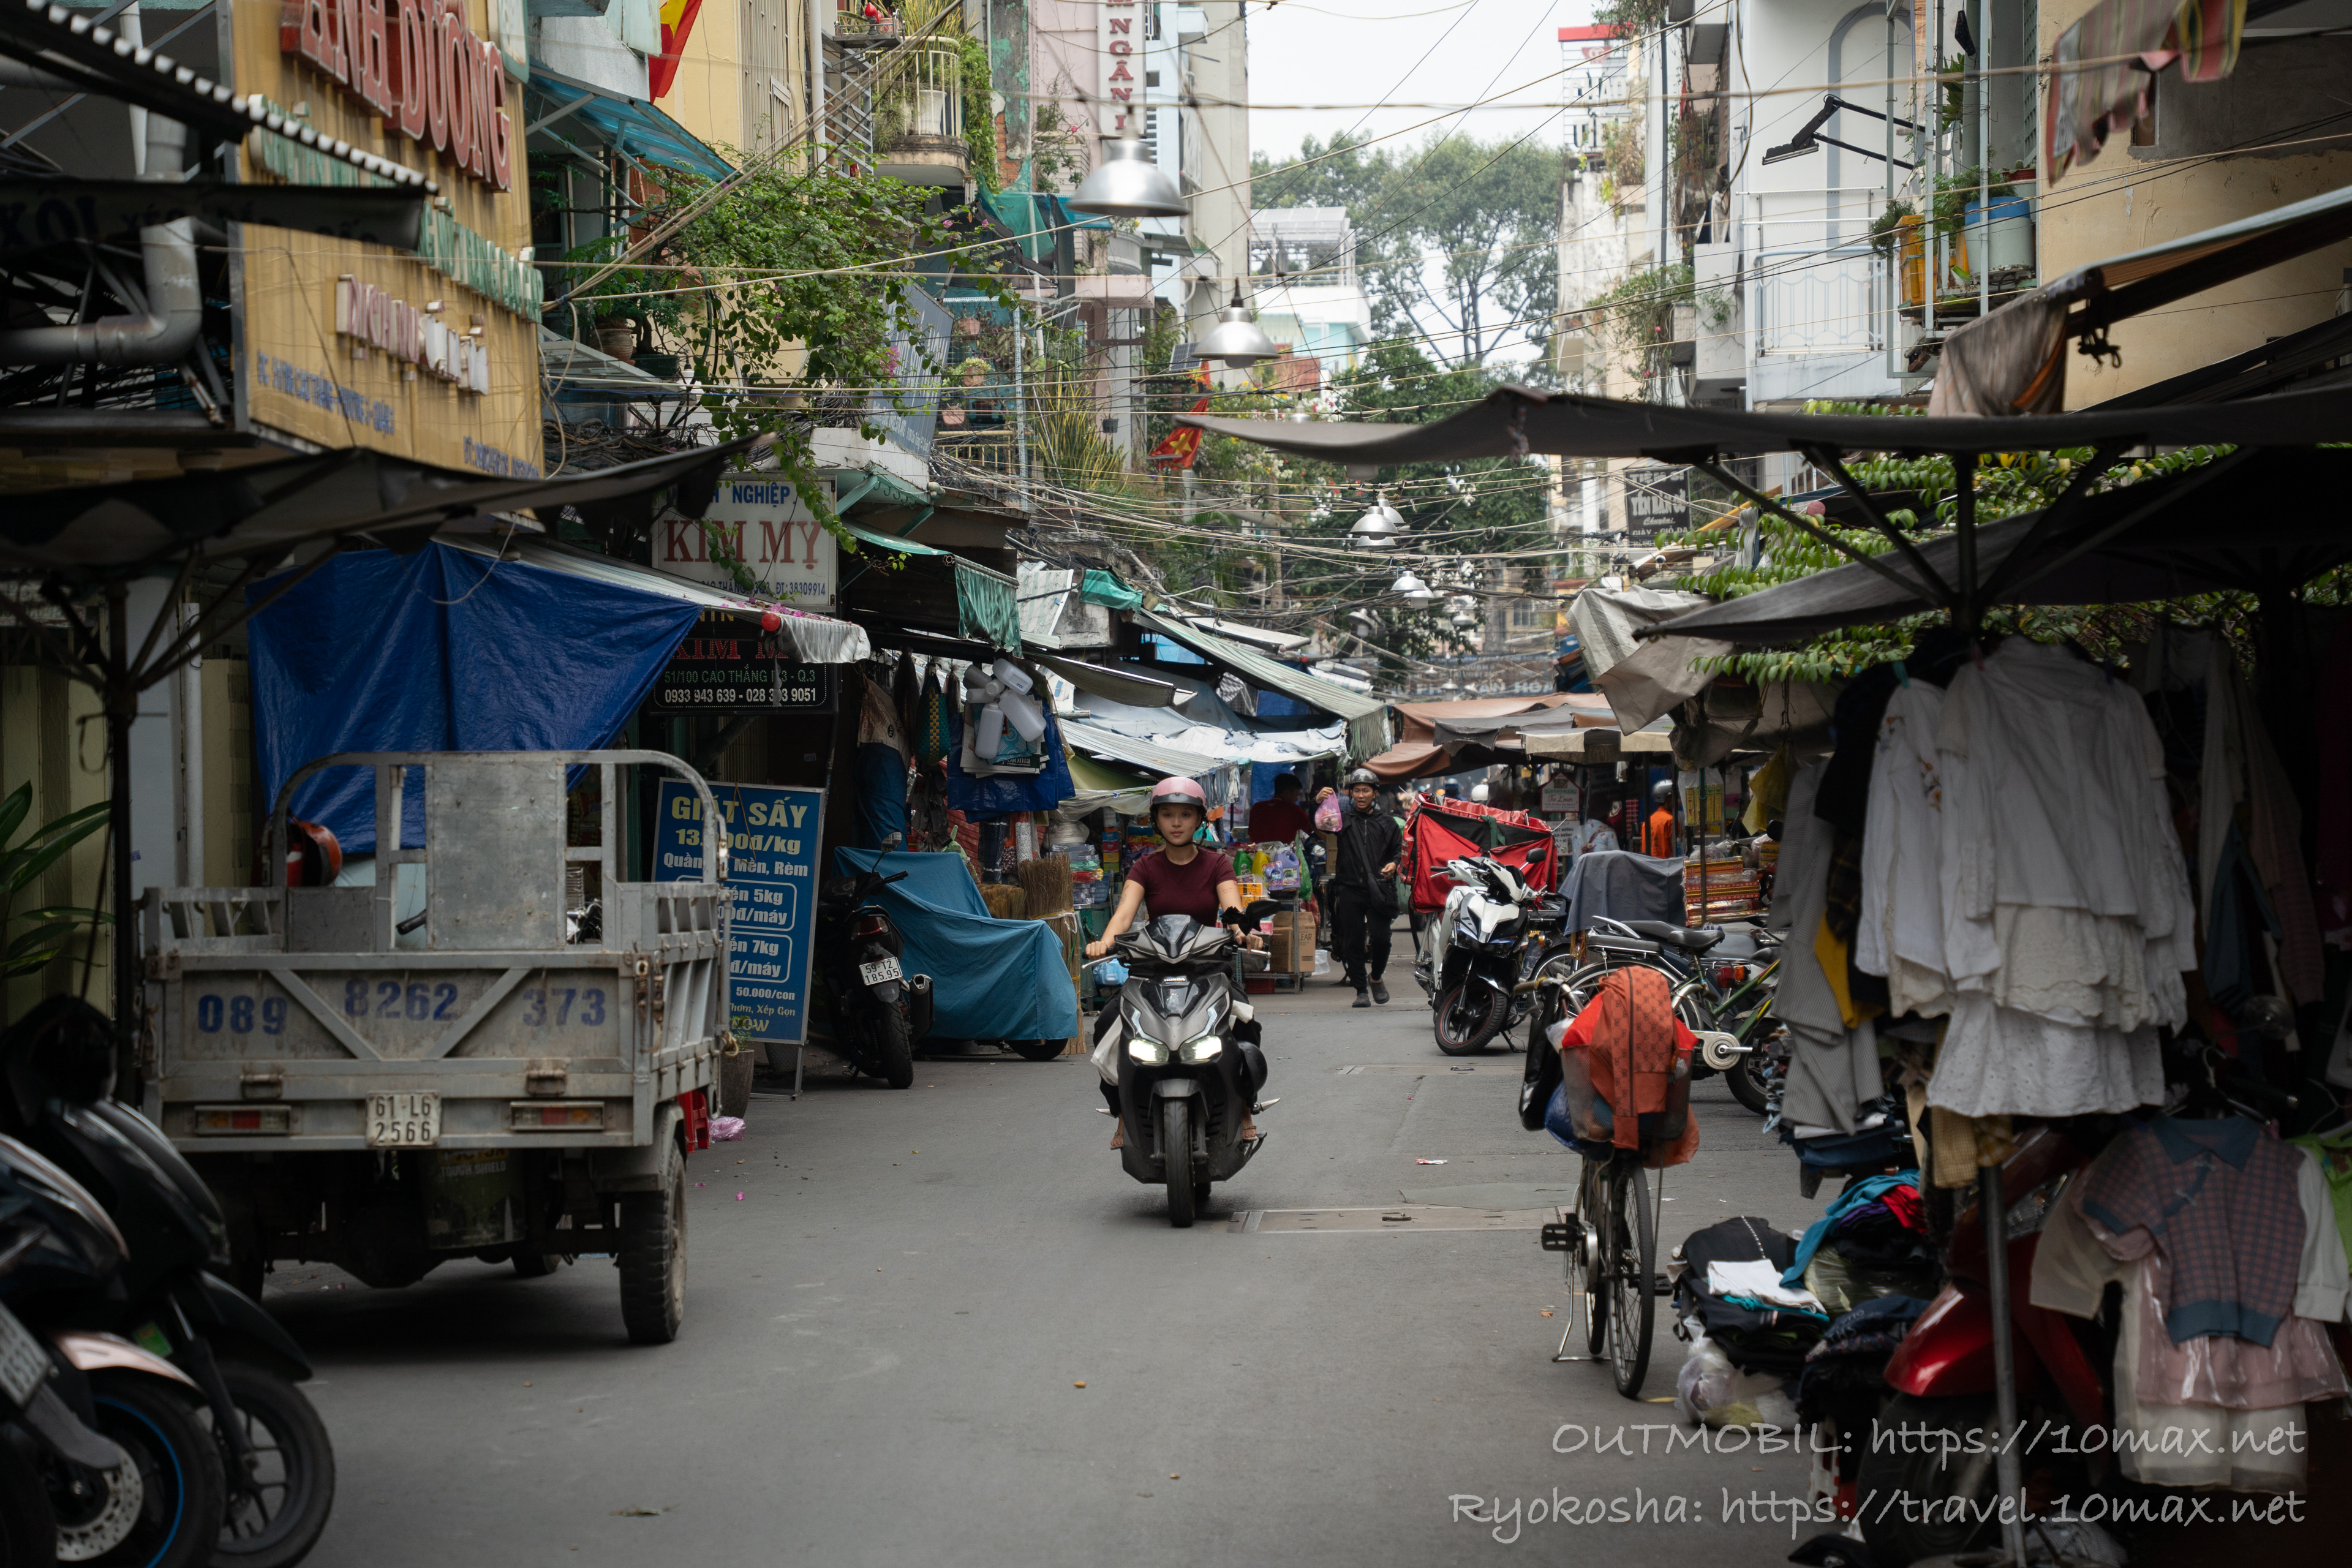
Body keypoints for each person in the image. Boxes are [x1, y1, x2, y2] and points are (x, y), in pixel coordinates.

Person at [1086, 778, 1262, 959]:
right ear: (1156, 820)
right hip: (1156, 969)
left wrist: (1243, 931)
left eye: (1186, 815)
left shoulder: (1218, 864)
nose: (1176, 823)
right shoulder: (1144, 867)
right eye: (1167, 815)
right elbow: (1123, 917)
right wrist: (1104, 945)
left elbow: (1233, 911)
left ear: (1198, 820)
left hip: (1206, 967)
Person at [1326, 767, 1403, 1008]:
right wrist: (1318, 803)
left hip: (1378, 889)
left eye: (1365, 791)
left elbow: (1399, 852)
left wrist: (1393, 864)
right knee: (1353, 941)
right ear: (1351, 794)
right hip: (1349, 888)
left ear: (1375, 793)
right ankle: (1361, 990)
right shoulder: (1343, 821)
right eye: (1356, 791)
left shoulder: (1388, 823)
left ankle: (1376, 977)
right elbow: (1319, 822)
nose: (1361, 795)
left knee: (1382, 939)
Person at [1247, 772, 1317, 845]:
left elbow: (1251, 837)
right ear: (1286, 793)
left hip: (1258, 855)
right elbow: (1313, 828)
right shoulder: (1294, 810)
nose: (1297, 799)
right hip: (1282, 855)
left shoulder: (1257, 807)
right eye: (1296, 794)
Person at [1567, 791, 1619, 861]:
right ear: (1606, 813)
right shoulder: (1609, 833)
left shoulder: (1576, 833)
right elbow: (1617, 861)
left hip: (1580, 872)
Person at [1643, 778, 1678, 859]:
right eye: (1676, 798)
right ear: (1668, 800)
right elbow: (1677, 850)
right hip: (1668, 867)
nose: (1678, 801)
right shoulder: (1671, 821)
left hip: (1649, 866)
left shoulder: (1647, 822)